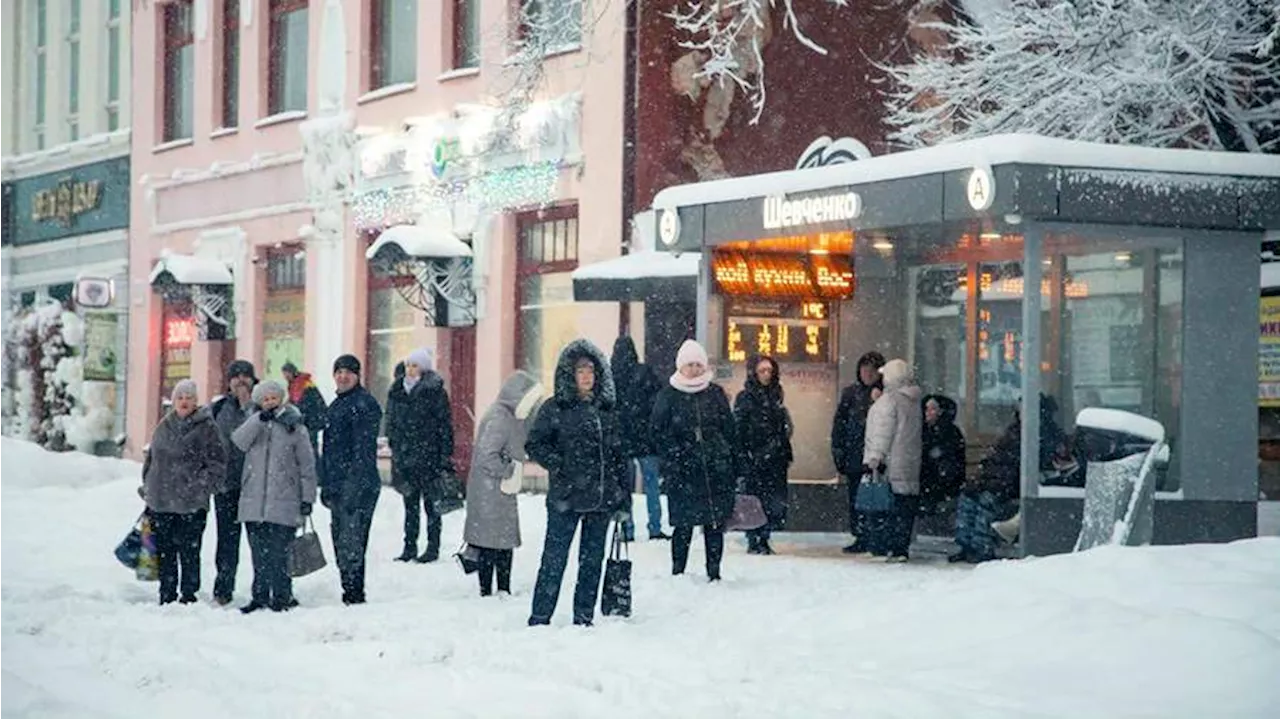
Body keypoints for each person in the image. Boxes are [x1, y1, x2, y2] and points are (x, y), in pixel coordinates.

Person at [526, 339, 631, 627]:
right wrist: (560, 465)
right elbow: (535, 444)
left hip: (600, 499)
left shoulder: (607, 412)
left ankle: (583, 616)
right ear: (570, 374)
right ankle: (540, 616)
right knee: (554, 560)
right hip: (566, 498)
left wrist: (623, 498)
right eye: (581, 371)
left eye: (591, 371)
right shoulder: (555, 408)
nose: (586, 376)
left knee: (591, 562)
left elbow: (620, 456)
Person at [651, 340, 738, 581]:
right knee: (683, 524)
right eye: (690, 364)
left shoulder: (715, 393)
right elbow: (657, 431)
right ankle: (678, 571)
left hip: (713, 469)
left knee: (714, 523)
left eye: (698, 364)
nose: (695, 369)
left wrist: (728, 457)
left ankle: (714, 571)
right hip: (682, 471)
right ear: (681, 366)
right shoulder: (668, 394)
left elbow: (728, 429)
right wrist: (676, 453)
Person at [231, 380, 318, 614]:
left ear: (281, 399)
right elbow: (238, 441)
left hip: (284, 500)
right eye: (265, 398)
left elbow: (306, 465)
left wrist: (307, 497)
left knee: (281, 553)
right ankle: (259, 595)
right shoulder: (254, 422)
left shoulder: (294, 425)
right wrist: (258, 421)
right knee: (258, 553)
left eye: (273, 398)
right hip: (254, 500)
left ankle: (282, 595)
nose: (269, 402)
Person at [951, 394, 1066, 564]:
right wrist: (984, 477)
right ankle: (966, 545)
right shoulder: (1014, 430)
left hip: (1015, 482)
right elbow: (998, 457)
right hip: (998, 478)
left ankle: (982, 547)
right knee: (968, 497)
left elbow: (1036, 463)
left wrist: (999, 477)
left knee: (986, 500)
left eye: (1024, 408)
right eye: (1019, 408)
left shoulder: (1046, 432)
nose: (1020, 412)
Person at [140, 380, 227, 605]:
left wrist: (200, 487)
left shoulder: (207, 427)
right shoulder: (164, 425)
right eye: (180, 397)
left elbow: (217, 464)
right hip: (162, 500)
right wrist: (149, 486)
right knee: (165, 550)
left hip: (191, 503)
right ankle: (166, 592)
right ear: (174, 401)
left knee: (189, 551)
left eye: (189, 397)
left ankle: (189, 594)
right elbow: (152, 459)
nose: (184, 401)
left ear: (196, 401)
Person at [464, 370, 544, 597]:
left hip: (496, 490)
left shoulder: (507, 416)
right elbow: (487, 455)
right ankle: (491, 590)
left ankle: (500, 588)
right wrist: (509, 470)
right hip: (491, 489)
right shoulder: (500, 418)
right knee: (492, 542)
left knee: (499, 539)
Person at [321, 354, 384, 605]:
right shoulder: (338, 404)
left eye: (348, 372)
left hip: (358, 486)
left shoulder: (363, 404)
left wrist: (353, 484)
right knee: (342, 538)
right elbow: (329, 451)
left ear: (357, 376)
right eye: (339, 372)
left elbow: (362, 451)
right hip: (338, 484)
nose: (343, 376)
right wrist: (327, 483)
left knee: (352, 540)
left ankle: (354, 592)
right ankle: (349, 587)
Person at [385, 348, 454, 563]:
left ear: (423, 368)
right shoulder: (397, 390)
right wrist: (395, 444)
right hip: (405, 457)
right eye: (408, 365)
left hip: (428, 456)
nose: (410, 369)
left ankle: (432, 548)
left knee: (432, 505)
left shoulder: (434, 391)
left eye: (414, 365)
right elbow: (390, 420)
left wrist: (443, 455)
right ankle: (409, 547)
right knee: (410, 504)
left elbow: (444, 425)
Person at [861, 359, 923, 562]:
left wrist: (875, 458)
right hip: (909, 462)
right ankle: (900, 547)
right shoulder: (913, 401)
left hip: (890, 463)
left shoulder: (890, 401)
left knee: (885, 506)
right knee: (905, 507)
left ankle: (885, 545)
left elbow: (882, 433)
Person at [733, 355, 793, 555]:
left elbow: (783, 424)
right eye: (762, 371)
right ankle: (754, 537)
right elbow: (740, 427)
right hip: (755, 455)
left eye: (769, 371)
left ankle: (764, 535)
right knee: (755, 498)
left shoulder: (776, 395)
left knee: (771, 498)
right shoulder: (746, 397)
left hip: (776, 457)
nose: (767, 375)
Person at [610, 336, 669, 541]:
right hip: (646, 438)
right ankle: (654, 527)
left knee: (624, 486)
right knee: (652, 485)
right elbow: (658, 402)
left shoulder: (611, 376)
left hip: (622, 439)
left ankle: (627, 528)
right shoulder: (645, 372)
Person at [210, 359, 258, 606]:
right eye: (235, 376)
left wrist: (249, 406)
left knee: (259, 542)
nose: (241, 380)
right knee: (227, 541)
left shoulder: (263, 405)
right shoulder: (218, 408)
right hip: (226, 485)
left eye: (245, 376)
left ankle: (262, 589)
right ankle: (223, 588)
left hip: (256, 487)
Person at [831, 351, 886, 554]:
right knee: (856, 497)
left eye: (872, 371)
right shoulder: (851, 394)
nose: (868, 374)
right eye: (864, 370)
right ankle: (861, 534)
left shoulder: (885, 395)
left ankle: (876, 535)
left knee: (876, 497)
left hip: (874, 455)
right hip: (855, 454)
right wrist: (839, 451)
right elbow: (840, 424)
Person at [920, 394, 966, 515]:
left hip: (940, 483)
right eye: (926, 408)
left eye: (933, 409)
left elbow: (951, 461)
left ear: (941, 412)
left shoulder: (950, 432)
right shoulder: (921, 430)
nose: (928, 412)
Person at [281, 361, 328, 452]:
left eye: (286, 374)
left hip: (311, 418)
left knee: (310, 444)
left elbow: (302, 401)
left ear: (292, 372)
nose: (285, 377)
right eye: (284, 374)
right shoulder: (294, 383)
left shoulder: (304, 383)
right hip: (306, 418)